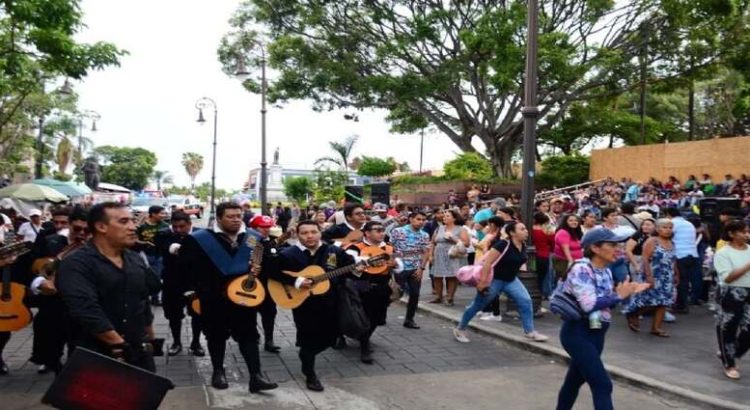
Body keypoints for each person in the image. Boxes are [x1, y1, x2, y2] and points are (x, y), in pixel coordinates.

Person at [179, 202, 278, 392]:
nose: (236, 220)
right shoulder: (199, 240)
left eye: (239, 216)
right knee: (216, 336)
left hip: (244, 297)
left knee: (249, 336)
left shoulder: (253, 238)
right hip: (213, 297)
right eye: (230, 216)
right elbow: (185, 269)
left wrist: (258, 269)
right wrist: (190, 293)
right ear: (218, 218)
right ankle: (218, 371)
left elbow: (263, 264)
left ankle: (256, 377)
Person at [57, 202, 161, 372]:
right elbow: (86, 309)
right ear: (101, 227)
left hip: (137, 350)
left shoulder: (134, 259)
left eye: (132, 221)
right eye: (124, 222)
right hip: (95, 355)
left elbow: (142, 301)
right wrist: (118, 343)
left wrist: (149, 338)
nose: (133, 227)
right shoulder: (76, 264)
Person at [555, 228, 651, 410]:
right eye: (612, 245)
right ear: (595, 248)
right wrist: (618, 296)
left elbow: (607, 305)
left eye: (619, 244)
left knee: (574, 382)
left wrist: (627, 292)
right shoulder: (582, 268)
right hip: (578, 334)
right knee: (602, 384)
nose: (619, 249)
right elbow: (588, 305)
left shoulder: (606, 271)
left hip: (597, 333)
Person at [271, 220, 356, 392]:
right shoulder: (288, 254)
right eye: (304, 233)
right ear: (297, 235)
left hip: (331, 301)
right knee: (309, 339)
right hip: (304, 303)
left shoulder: (333, 251)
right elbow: (271, 272)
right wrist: (296, 281)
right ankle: (309, 373)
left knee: (332, 337)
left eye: (313, 232)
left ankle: (307, 354)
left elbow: (350, 268)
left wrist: (361, 268)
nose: (310, 236)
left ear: (320, 233)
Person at [453, 221, 549, 343]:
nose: (526, 231)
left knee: (525, 301)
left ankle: (529, 332)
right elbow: (488, 262)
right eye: (522, 229)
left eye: (525, 229)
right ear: (512, 232)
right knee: (478, 305)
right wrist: (482, 282)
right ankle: (460, 328)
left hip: (511, 280)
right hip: (494, 280)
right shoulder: (503, 244)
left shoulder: (523, 245)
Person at [26, 207, 89, 374]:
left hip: (83, 308)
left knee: (80, 354)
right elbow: (27, 268)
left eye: (87, 230)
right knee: (50, 353)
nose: (82, 233)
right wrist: (40, 283)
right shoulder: (50, 241)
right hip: (54, 306)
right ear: (69, 226)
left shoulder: (99, 246)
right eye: (77, 229)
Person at [345, 221, 401, 364]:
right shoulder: (355, 248)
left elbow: (400, 266)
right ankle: (364, 347)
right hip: (361, 287)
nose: (382, 233)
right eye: (377, 230)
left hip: (382, 288)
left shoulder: (388, 248)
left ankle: (363, 337)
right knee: (363, 317)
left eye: (383, 230)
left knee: (377, 318)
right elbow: (347, 263)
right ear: (367, 233)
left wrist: (395, 264)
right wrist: (365, 262)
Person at [155, 212, 204, 357]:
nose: (178, 230)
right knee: (173, 315)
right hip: (172, 282)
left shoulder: (200, 235)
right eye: (175, 227)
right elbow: (162, 250)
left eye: (182, 226)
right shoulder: (164, 235)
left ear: (189, 223)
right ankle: (176, 342)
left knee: (197, 313)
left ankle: (196, 343)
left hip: (195, 282)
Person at [624, 219, 678, 337]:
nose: (668, 230)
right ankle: (634, 314)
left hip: (666, 276)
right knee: (650, 301)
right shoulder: (652, 241)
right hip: (653, 274)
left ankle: (656, 328)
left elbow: (673, 260)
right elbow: (645, 259)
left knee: (663, 302)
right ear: (657, 229)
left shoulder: (671, 242)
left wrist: (676, 273)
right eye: (665, 227)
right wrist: (649, 277)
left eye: (670, 228)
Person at [713, 219, 750, 380]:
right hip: (731, 292)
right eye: (743, 232)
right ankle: (729, 363)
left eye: (747, 231)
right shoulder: (723, 253)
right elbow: (727, 278)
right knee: (728, 327)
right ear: (732, 234)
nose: (747, 235)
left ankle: (730, 352)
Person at [247, 214, 282, 353]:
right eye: (263, 227)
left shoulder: (274, 241)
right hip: (251, 282)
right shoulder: (250, 241)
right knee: (250, 312)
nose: (266, 230)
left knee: (270, 312)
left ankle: (269, 340)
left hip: (269, 283)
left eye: (268, 227)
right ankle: (253, 335)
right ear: (254, 228)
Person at [390, 211, 431, 329]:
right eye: (419, 219)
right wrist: (393, 263)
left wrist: (421, 268)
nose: (421, 222)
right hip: (399, 268)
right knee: (395, 293)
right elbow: (390, 246)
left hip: (415, 268)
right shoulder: (398, 231)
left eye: (423, 220)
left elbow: (425, 252)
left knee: (415, 294)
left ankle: (409, 319)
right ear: (411, 219)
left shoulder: (424, 235)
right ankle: (381, 312)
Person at [664, 207, 701, 313]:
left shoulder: (672, 223)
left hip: (680, 255)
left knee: (679, 281)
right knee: (686, 280)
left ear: (668, 214)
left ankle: (681, 305)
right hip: (692, 254)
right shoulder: (689, 224)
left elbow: (666, 235)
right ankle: (684, 303)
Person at [430, 209, 469, 306]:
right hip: (439, 255)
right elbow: (432, 242)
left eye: (447, 216)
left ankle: (449, 297)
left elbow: (467, 243)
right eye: (444, 216)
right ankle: (438, 297)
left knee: (451, 276)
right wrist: (431, 255)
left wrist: (454, 238)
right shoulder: (439, 228)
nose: (444, 218)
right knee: (437, 276)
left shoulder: (461, 229)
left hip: (453, 255)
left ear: (454, 218)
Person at [136, 205, 169, 305]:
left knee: (156, 276)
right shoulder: (141, 227)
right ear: (153, 214)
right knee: (143, 277)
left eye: (164, 213)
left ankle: (155, 298)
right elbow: (135, 240)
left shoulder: (165, 226)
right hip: (143, 255)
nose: (164, 215)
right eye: (161, 213)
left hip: (158, 255)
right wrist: (144, 244)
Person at [552, 214, 584, 281]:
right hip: (565, 262)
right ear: (565, 222)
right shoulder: (563, 232)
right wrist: (570, 262)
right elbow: (565, 249)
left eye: (575, 220)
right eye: (571, 221)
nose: (574, 222)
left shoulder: (575, 232)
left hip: (577, 261)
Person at [624, 214, 655, 281]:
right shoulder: (637, 235)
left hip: (651, 263)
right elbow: (628, 250)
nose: (645, 226)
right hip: (638, 260)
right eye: (643, 224)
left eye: (648, 225)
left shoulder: (655, 237)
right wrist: (636, 265)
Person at [532, 212, 555, 299]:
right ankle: (543, 293)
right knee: (545, 275)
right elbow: (553, 243)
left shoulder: (531, 230)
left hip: (533, 255)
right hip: (544, 255)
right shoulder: (547, 231)